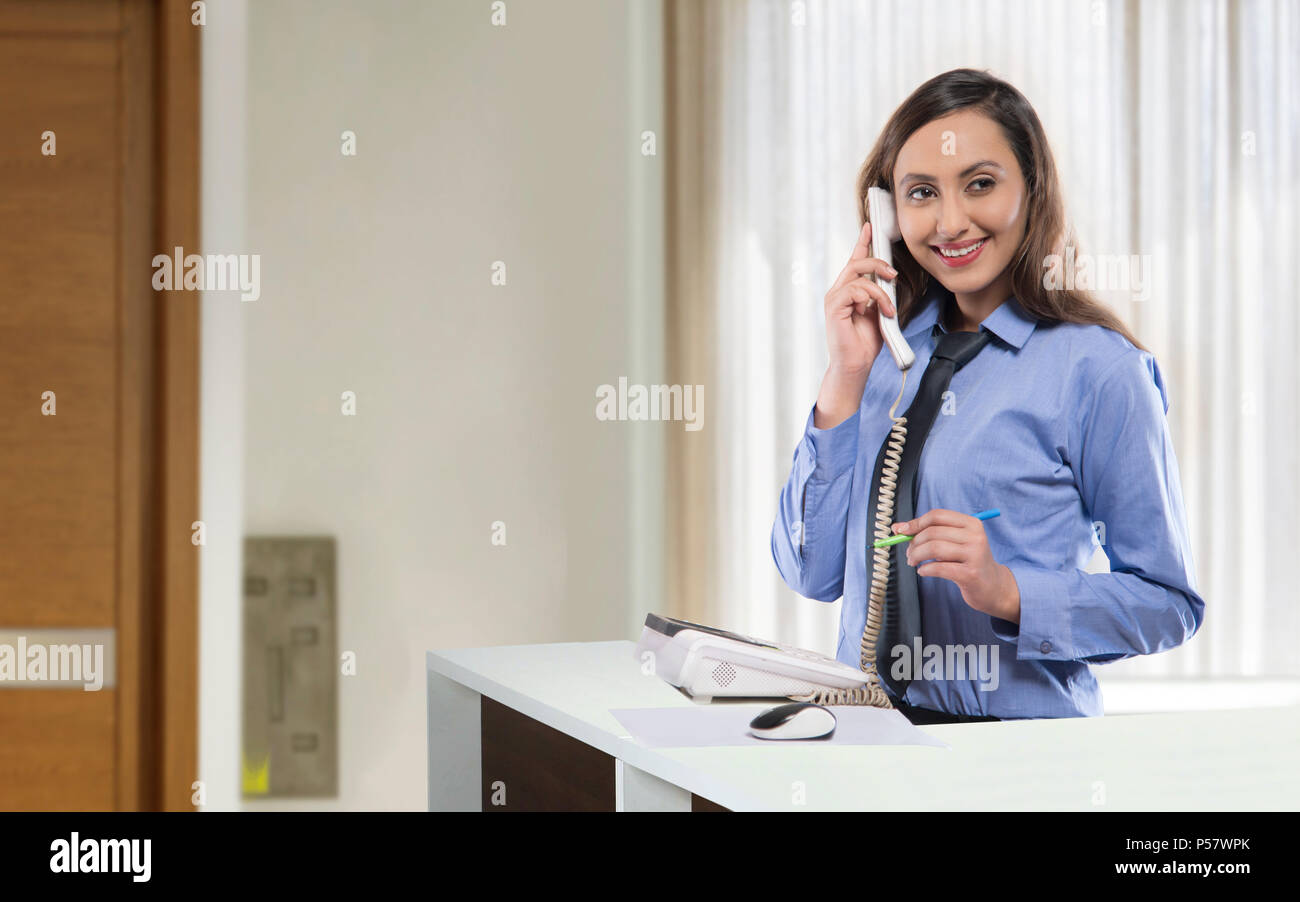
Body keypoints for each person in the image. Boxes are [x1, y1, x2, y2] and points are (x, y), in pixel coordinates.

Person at [770, 68, 1205, 722]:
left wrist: (1008, 591)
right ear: (887, 215)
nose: (950, 222)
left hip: (1019, 761)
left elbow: (1170, 606)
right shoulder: (884, 357)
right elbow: (810, 571)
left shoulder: (1100, 371)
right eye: (921, 193)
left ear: (1030, 189)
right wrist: (844, 377)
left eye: (980, 184)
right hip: (868, 745)